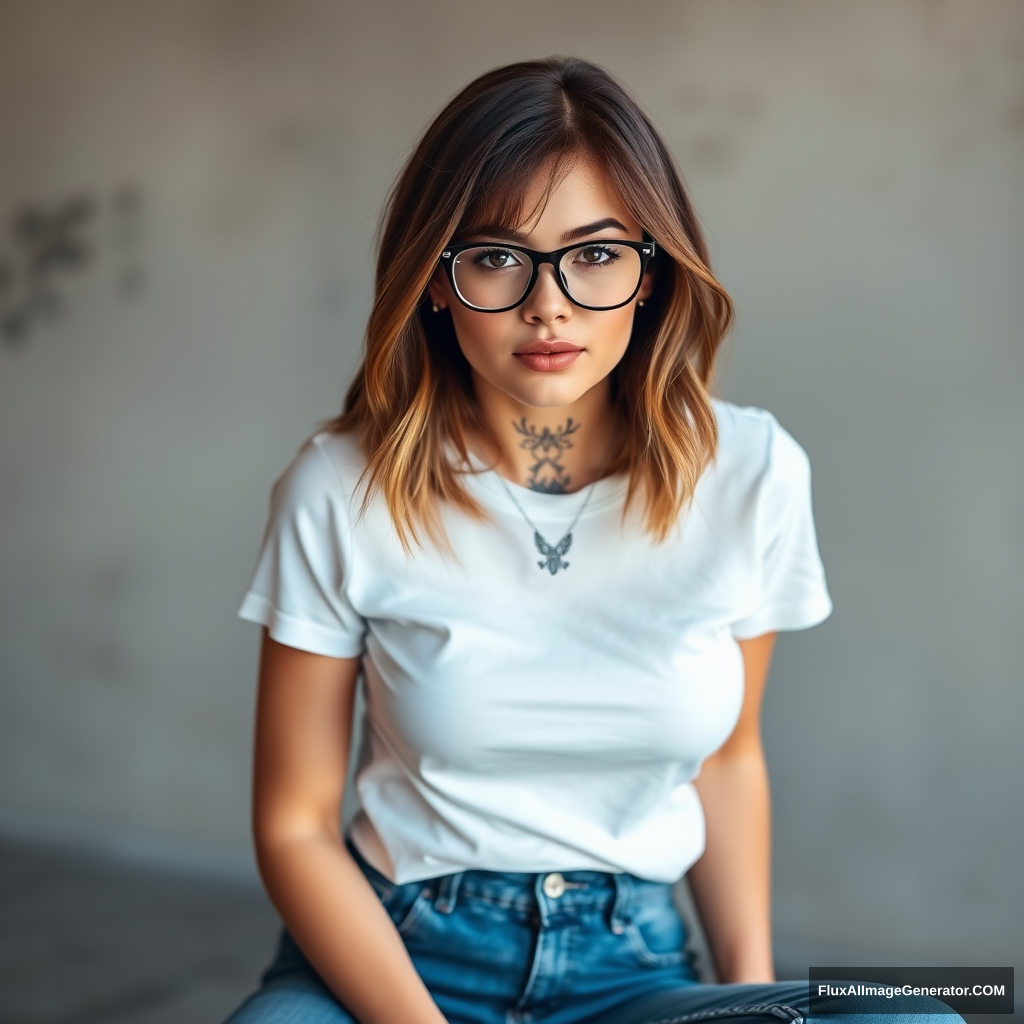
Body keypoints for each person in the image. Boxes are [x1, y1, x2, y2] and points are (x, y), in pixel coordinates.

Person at [224, 57, 958, 1024]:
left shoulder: (751, 471)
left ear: (653, 273)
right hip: (394, 960)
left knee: (925, 1014)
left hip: (635, 971)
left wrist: (748, 1002)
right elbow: (294, 825)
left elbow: (729, 761)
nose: (549, 304)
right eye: (495, 256)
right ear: (435, 284)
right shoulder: (339, 487)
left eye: (597, 254)